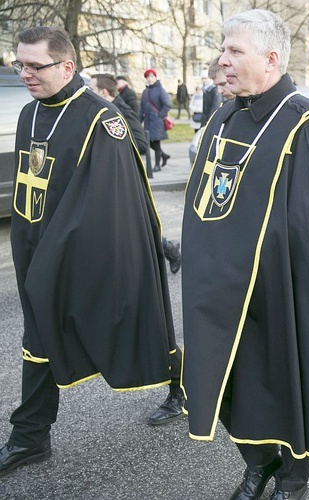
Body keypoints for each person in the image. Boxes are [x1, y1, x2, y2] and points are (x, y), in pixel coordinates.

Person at [181, 10, 309, 500]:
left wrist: (279, 284)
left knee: (287, 383)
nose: (223, 61)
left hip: (280, 289)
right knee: (233, 386)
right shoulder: (224, 115)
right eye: (223, 49)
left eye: (235, 51)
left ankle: (293, 478)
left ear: (272, 58)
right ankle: (257, 464)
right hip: (219, 288)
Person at [1, 26, 184, 478]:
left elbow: (110, 201)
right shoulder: (29, 113)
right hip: (31, 244)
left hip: (79, 250)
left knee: (132, 321)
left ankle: (183, 388)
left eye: (34, 66)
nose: (24, 73)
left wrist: (55, 255)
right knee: (37, 335)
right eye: (19, 64)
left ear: (67, 66)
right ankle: (32, 438)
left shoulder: (102, 120)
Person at [90, 74, 184, 273]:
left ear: (104, 92)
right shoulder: (99, 111)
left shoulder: (120, 110)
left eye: (92, 89)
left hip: (125, 178)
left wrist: (112, 150)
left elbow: (140, 144)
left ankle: (168, 248)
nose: (88, 93)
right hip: (108, 178)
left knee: (136, 228)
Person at [140, 68, 171, 171]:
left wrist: (160, 115)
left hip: (157, 122)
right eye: (148, 77)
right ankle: (164, 155)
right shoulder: (145, 92)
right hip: (148, 122)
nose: (150, 79)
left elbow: (167, 104)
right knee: (148, 142)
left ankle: (157, 165)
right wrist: (139, 120)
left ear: (155, 77)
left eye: (152, 76)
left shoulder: (160, 90)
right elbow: (142, 108)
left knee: (156, 143)